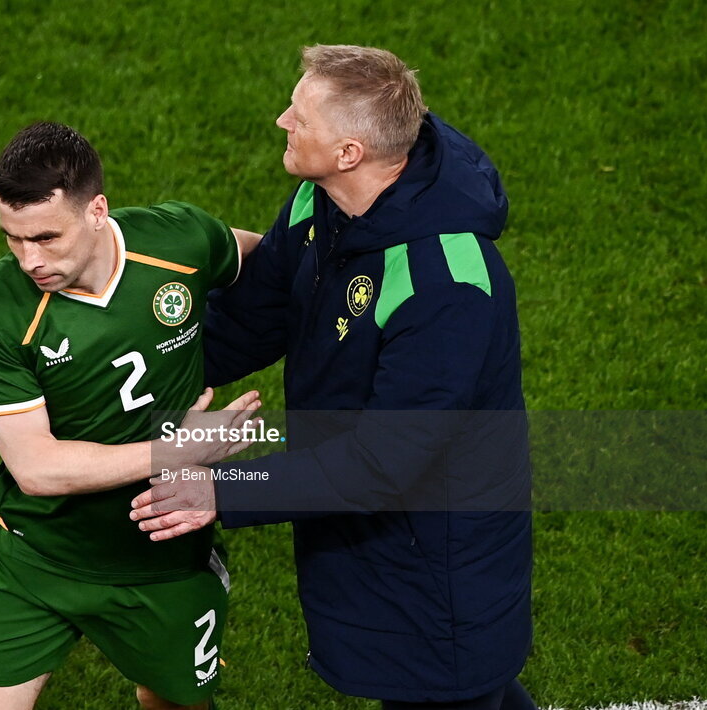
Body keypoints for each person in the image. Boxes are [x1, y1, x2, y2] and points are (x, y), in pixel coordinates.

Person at [131, 45, 537, 710]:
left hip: (437, 558)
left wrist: (219, 489)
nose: (281, 120)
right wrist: (128, 367)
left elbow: (384, 464)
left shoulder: (448, 286)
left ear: (350, 152)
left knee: (451, 691)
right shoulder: (319, 203)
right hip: (379, 531)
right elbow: (250, 319)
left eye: (301, 116)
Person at [0, 121, 262, 710]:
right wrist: (180, 449)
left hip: (163, 559)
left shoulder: (178, 241)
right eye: (12, 239)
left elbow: (273, 271)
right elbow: (37, 469)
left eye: (46, 237)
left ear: (97, 210)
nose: (29, 259)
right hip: (39, 554)